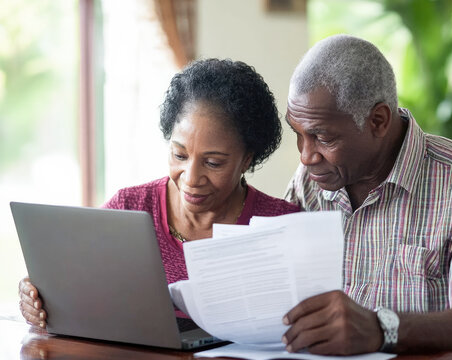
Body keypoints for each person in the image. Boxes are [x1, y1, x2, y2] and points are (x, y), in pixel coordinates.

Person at [281, 34, 452, 355]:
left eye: (322, 137)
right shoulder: (309, 184)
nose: (305, 156)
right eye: (298, 134)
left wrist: (381, 328)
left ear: (378, 121)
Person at [18, 58, 300, 328]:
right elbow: (65, 280)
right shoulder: (130, 208)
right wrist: (38, 296)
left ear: (247, 159)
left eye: (213, 163)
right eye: (179, 155)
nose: (190, 178)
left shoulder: (283, 224)